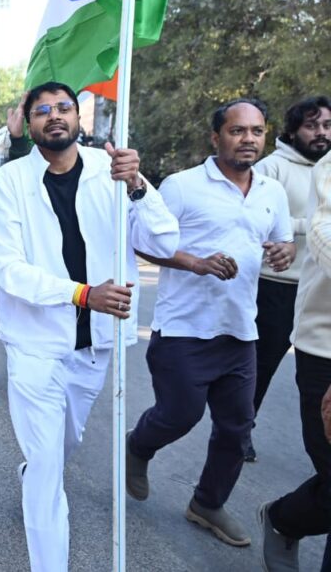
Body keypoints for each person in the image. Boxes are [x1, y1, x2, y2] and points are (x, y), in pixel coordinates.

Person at [0, 82, 178, 572]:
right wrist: (82, 294)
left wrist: (138, 187)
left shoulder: (112, 171)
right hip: (35, 345)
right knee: (47, 467)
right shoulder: (8, 182)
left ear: (78, 118)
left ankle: (36, 469)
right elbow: (7, 271)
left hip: (95, 345)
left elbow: (163, 240)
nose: (54, 115)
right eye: (42, 110)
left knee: (62, 446)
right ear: (28, 123)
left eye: (63, 108)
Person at [128, 98, 294, 547]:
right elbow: (143, 241)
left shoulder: (272, 192)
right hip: (184, 328)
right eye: (237, 131)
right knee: (178, 416)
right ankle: (138, 445)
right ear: (215, 137)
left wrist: (285, 251)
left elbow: (282, 242)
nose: (248, 139)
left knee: (237, 430)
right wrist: (196, 263)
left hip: (240, 330)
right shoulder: (182, 186)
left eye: (256, 131)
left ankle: (207, 502)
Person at [258, 133, 331, 571]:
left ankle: (285, 518)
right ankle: (284, 520)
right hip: (324, 347)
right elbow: (323, 234)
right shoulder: (327, 168)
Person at [247, 96, 331, 461]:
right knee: (262, 364)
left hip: (318, 292)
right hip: (275, 286)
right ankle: (241, 428)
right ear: (294, 131)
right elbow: (254, 217)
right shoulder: (272, 168)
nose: (321, 133)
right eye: (311, 126)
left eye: (327, 125)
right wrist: (303, 229)